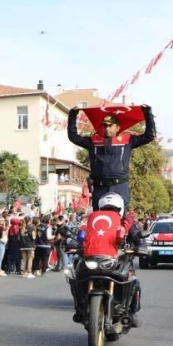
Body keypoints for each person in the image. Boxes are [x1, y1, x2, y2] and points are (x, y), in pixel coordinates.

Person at [66, 105, 157, 208]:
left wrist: (148, 114)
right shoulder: (93, 141)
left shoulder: (127, 141)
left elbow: (150, 136)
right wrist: (73, 115)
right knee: (99, 219)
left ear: (117, 127)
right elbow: (73, 137)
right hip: (99, 188)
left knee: (121, 219)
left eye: (110, 125)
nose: (107, 128)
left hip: (119, 186)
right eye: (104, 126)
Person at [72, 193, 141, 327]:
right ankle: (80, 305)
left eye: (113, 210)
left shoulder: (126, 223)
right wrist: (73, 245)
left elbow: (138, 238)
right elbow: (81, 237)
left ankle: (132, 312)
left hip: (118, 260)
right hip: (92, 258)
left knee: (135, 282)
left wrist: (139, 247)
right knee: (73, 276)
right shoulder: (90, 222)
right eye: (106, 209)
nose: (110, 213)